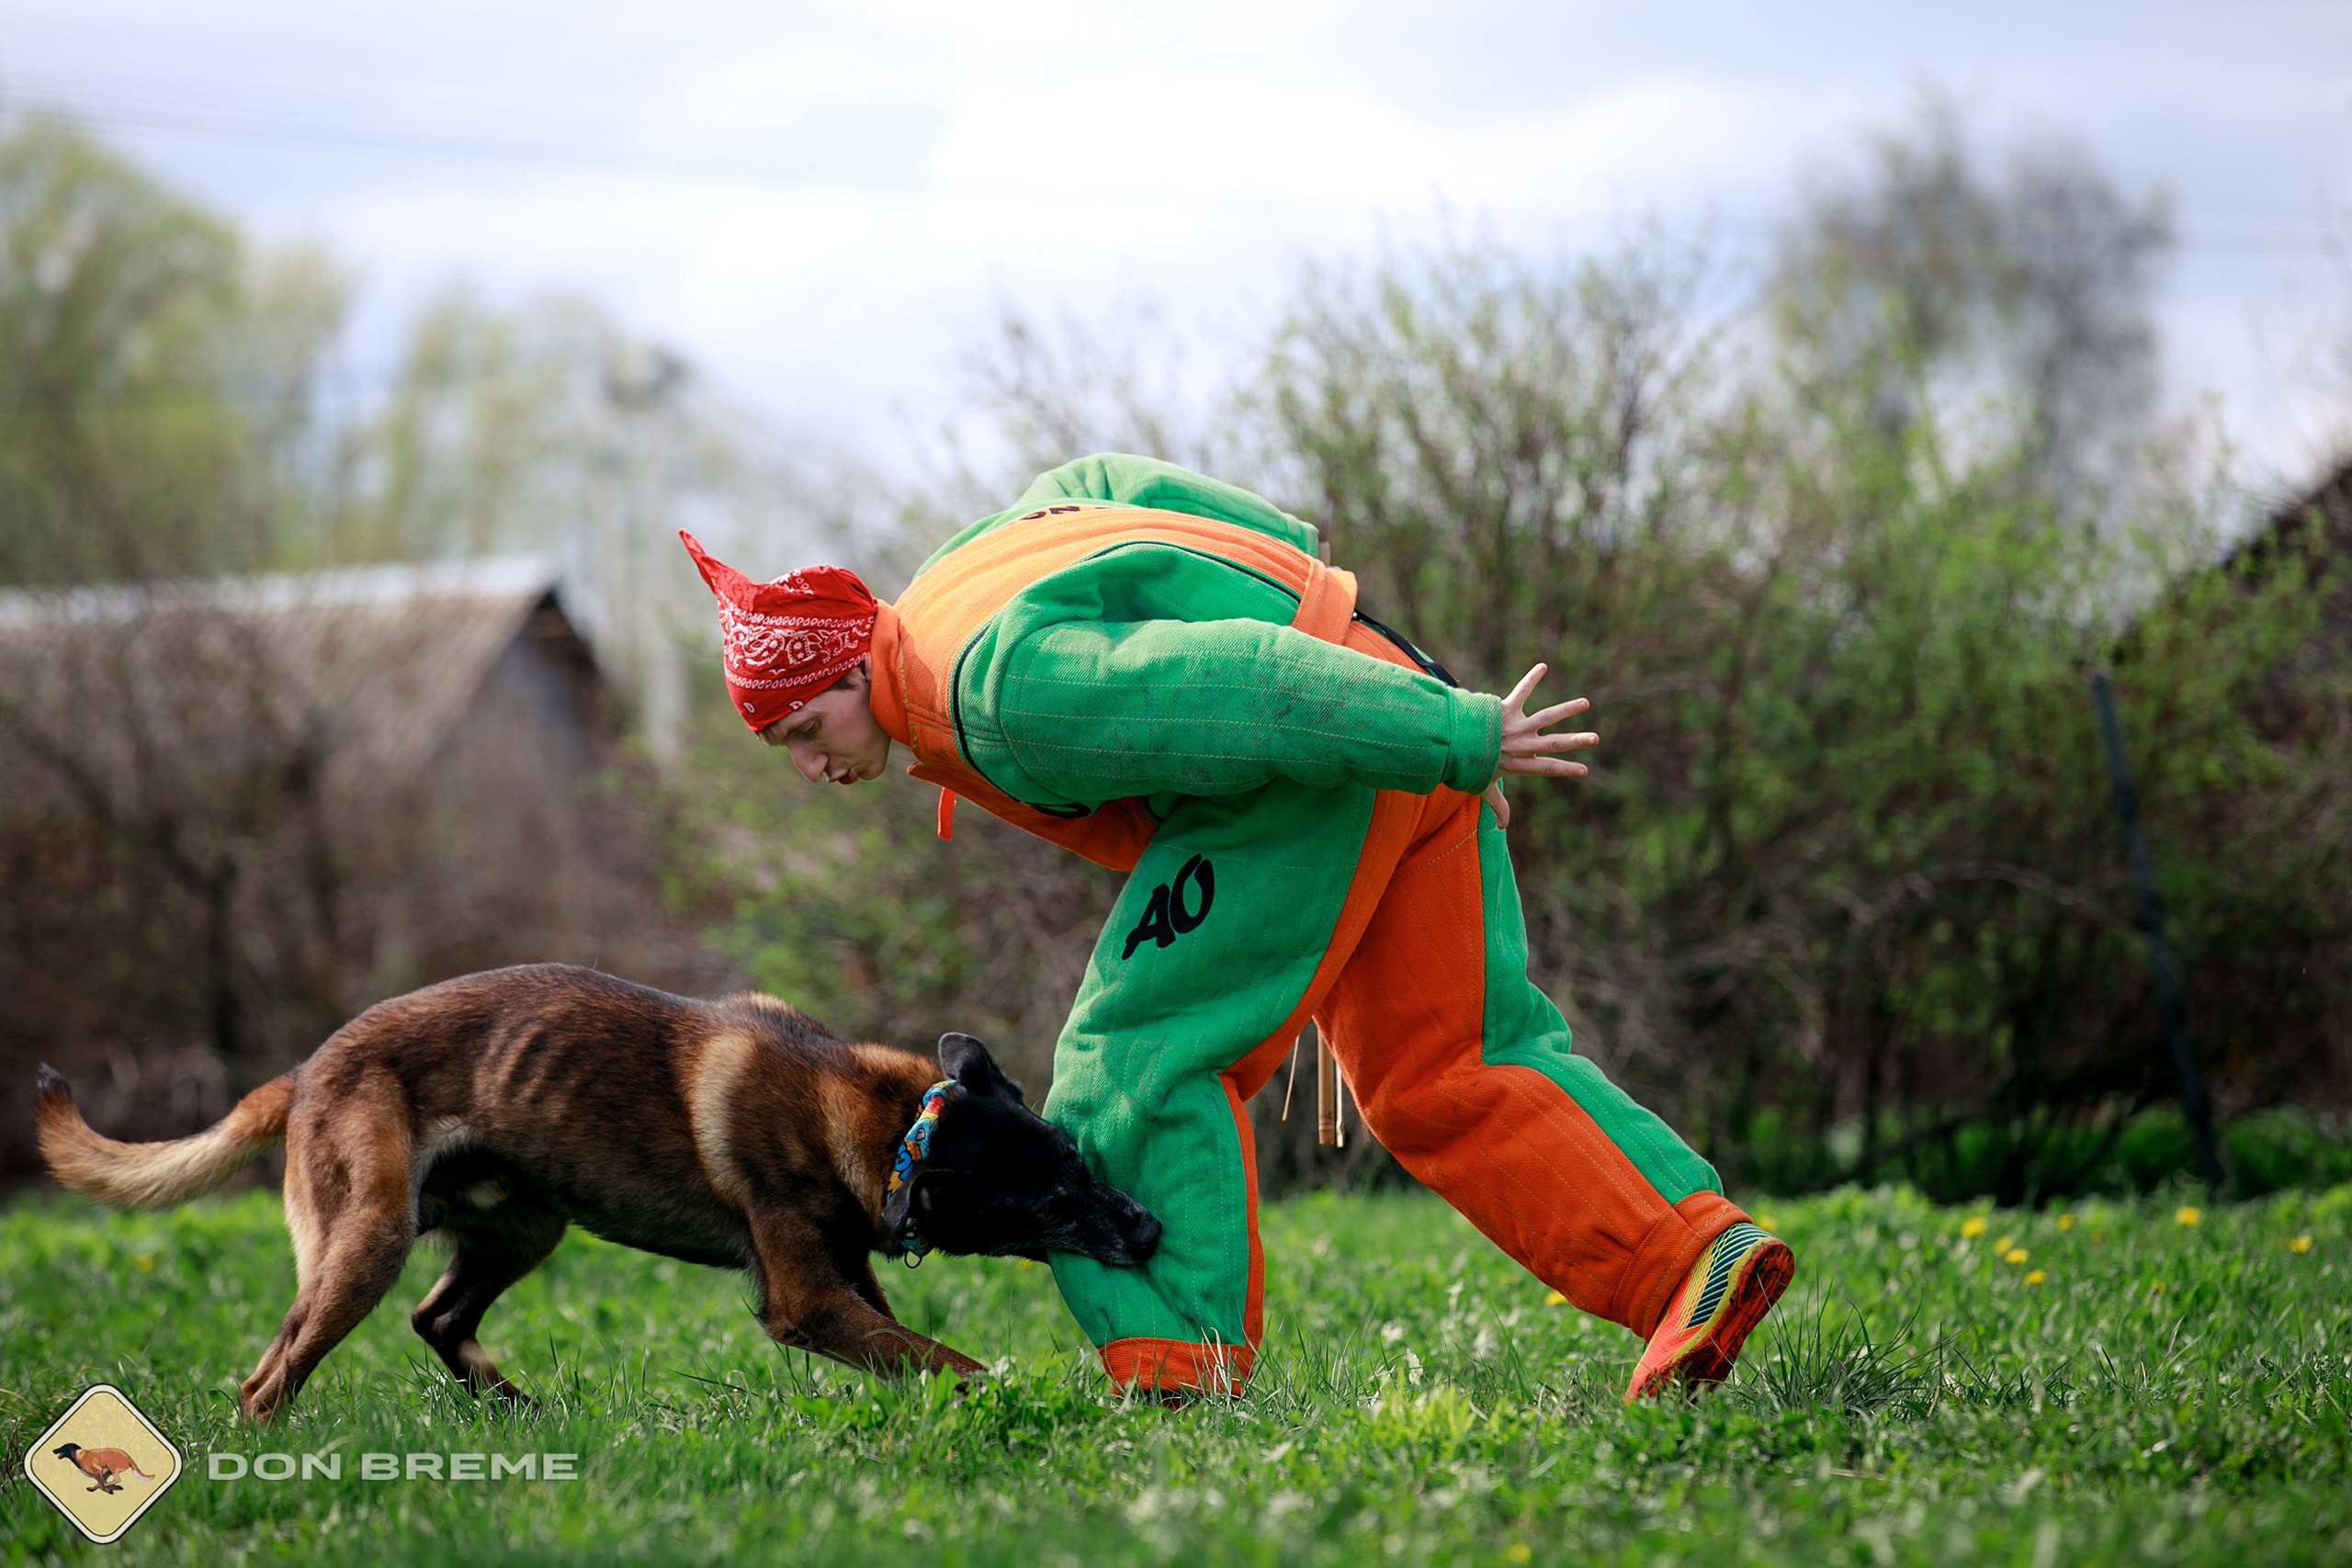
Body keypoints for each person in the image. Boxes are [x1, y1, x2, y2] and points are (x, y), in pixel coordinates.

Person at [681, 453, 1792, 1401]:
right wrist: (1376, 648)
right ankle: (1690, 1257)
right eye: (783, 748)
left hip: (1324, 753)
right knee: (1449, 1066)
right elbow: (1106, 487)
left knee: (1132, 1060)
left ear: (850, 663)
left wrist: (1449, 736)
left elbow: (1238, 682)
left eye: (806, 724)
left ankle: (1177, 1364)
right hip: (1369, 706)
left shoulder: (1002, 689)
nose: (814, 764)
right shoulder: (950, 586)